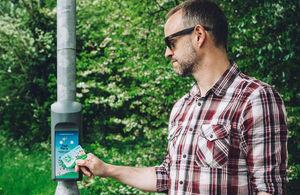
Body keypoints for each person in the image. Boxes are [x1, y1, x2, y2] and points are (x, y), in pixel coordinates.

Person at [75, 0, 288, 194]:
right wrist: (106, 169)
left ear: (198, 35)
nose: (167, 53)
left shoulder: (255, 98)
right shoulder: (182, 107)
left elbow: (269, 189)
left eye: (171, 42)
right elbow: (168, 176)